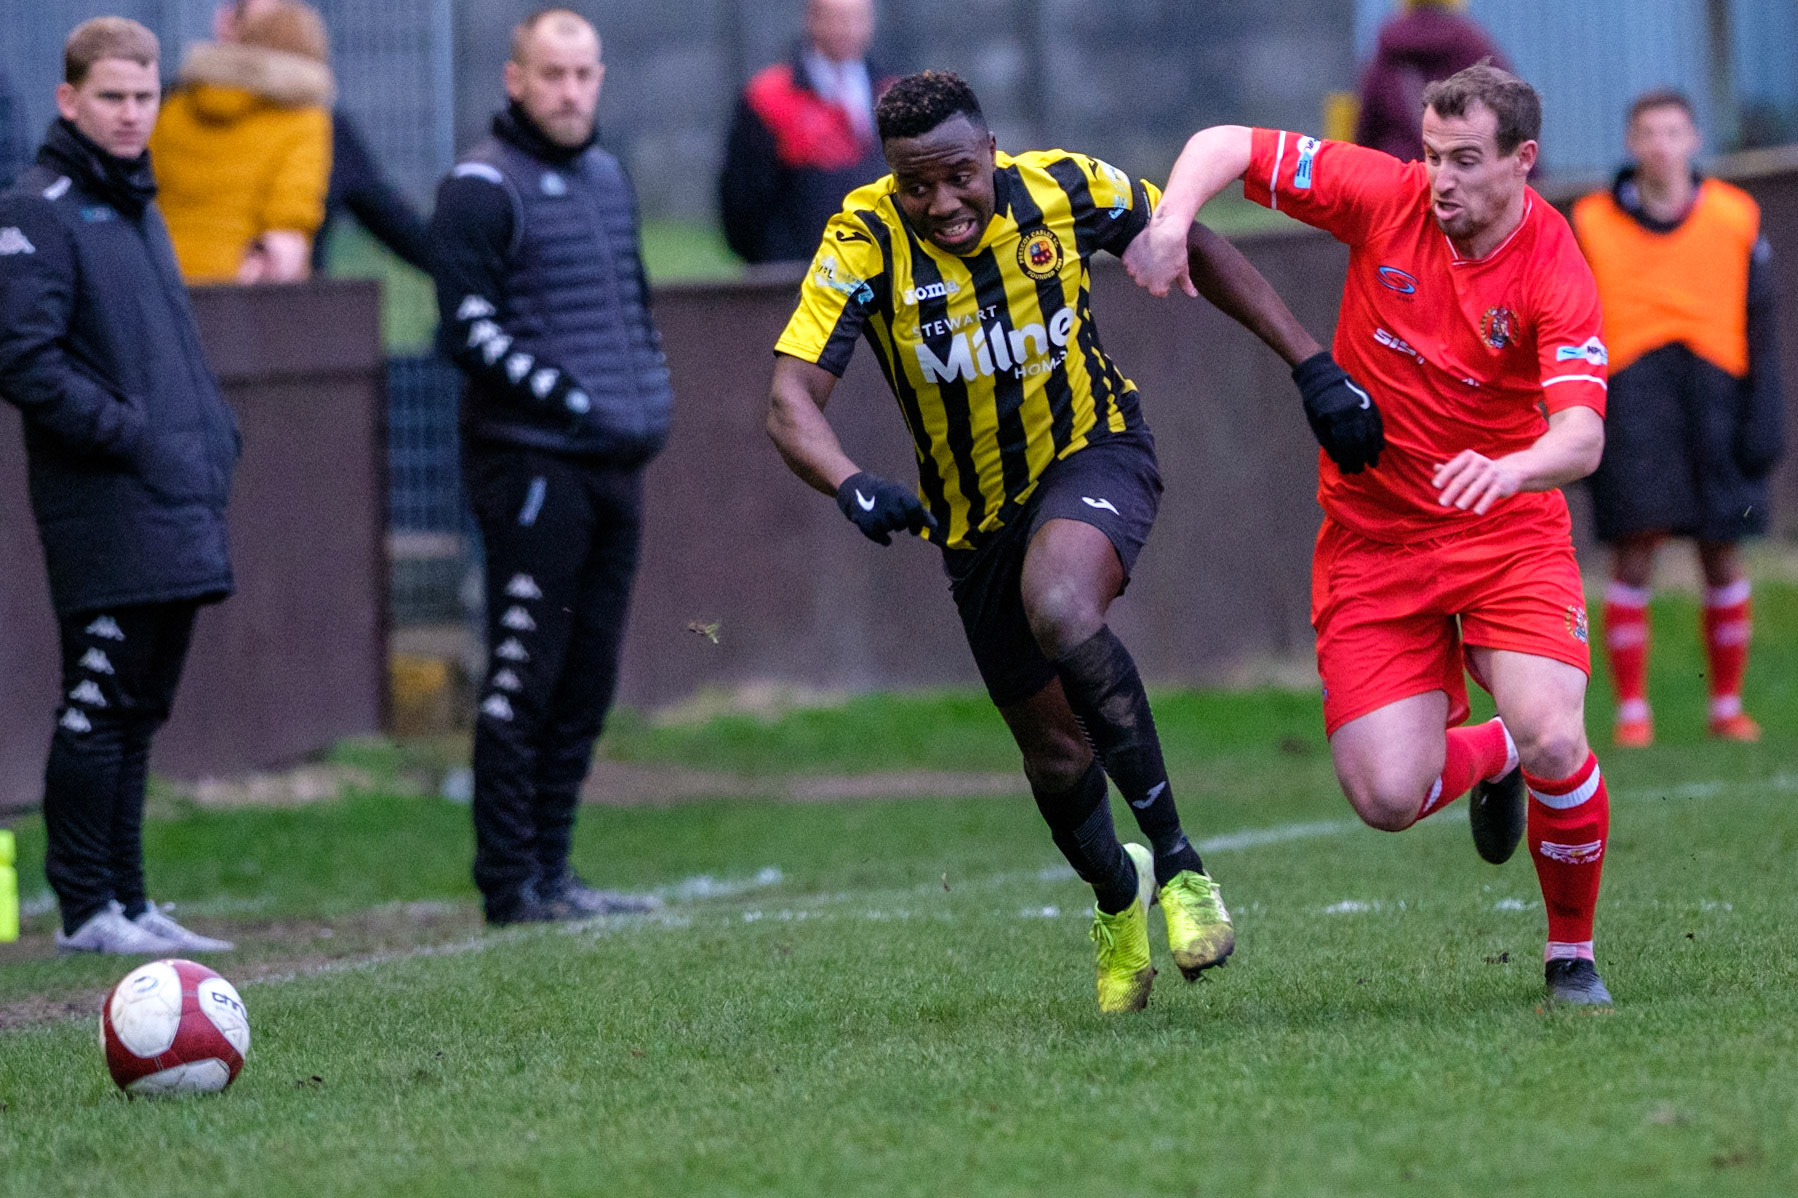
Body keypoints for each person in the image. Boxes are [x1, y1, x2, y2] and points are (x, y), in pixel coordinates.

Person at [767, 71, 1380, 1013]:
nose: (943, 204)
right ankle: (1118, 895)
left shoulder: (1063, 188)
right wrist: (848, 481)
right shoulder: (863, 238)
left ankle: (1180, 866)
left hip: (1094, 452)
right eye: (916, 185)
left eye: (959, 177)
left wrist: (1312, 367)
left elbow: (1196, 247)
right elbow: (789, 398)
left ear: (992, 152)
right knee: (1055, 759)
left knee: (1060, 604)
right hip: (971, 524)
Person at [1128, 65, 1617, 1005]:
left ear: (1524, 161)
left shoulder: (1554, 267)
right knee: (1388, 799)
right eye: (1433, 155)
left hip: (1504, 532)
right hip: (1375, 543)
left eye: (1467, 161)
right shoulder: (1387, 196)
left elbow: (1583, 436)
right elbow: (1227, 144)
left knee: (1557, 734)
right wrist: (1172, 221)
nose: (1442, 179)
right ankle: (1492, 754)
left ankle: (1570, 956)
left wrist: (1512, 468)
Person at [0, 17, 240, 954]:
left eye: (145, 97)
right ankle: (88, 909)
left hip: (174, 494)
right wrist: (128, 435)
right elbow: (23, 357)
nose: (132, 114)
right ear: (69, 101)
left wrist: (212, 438)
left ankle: (132, 901)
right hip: (104, 504)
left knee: (140, 711)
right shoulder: (40, 209)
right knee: (97, 704)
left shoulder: (137, 201)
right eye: (113, 97)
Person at [429, 9, 669, 926]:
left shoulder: (608, 176)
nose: (571, 92)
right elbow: (469, 331)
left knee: (588, 675)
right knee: (526, 668)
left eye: (584, 74)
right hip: (529, 466)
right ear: (515, 79)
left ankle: (556, 874)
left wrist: (651, 390)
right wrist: (573, 402)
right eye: (553, 74)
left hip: (616, 460)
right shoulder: (479, 186)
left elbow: (635, 304)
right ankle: (509, 883)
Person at [1573, 89, 1784, 748]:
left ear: (1695, 141)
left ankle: (1727, 705)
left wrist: (1764, 418)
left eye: (1673, 131)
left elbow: (1762, 322)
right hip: (1632, 395)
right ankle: (1633, 712)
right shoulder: (1589, 221)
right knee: (1634, 551)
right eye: (1648, 133)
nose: (1661, 145)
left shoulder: (1735, 217)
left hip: (1715, 391)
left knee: (1721, 550)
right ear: (1632, 143)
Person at [210, 0, 432, 276]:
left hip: (280, 304)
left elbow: (403, 229)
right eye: (264, 28)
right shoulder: (181, 115)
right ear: (226, 27)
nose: (279, 35)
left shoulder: (326, 131)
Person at [148, 0, 333, 283]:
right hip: (240, 293)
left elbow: (146, 191)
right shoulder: (303, 117)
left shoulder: (176, 105)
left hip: (162, 279)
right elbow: (289, 217)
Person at [719, 0, 890, 265]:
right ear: (812, 19)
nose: (849, 29)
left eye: (858, 18)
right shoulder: (768, 98)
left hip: (881, 274)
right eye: (839, 18)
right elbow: (742, 204)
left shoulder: (890, 91)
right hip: (796, 279)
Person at [1355, 0, 1509, 162]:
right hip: (1459, 173)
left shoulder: (1388, 51)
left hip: (1400, 172)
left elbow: (1368, 128)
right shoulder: (1472, 45)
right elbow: (1506, 112)